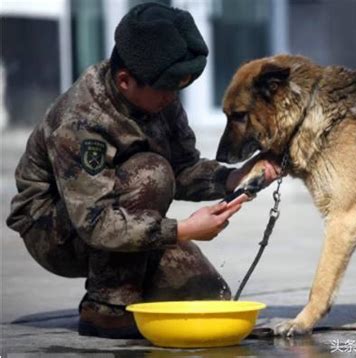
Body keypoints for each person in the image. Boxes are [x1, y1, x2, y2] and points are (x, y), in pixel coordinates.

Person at [6, 2, 280, 339]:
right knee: (152, 172)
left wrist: (232, 178)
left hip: (124, 210)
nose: (172, 97)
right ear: (124, 80)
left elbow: (182, 168)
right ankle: (107, 307)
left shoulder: (157, 96)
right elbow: (94, 222)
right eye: (166, 88)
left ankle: (134, 284)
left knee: (207, 297)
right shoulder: (81, 121)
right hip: (56, 230)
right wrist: (183, 230)